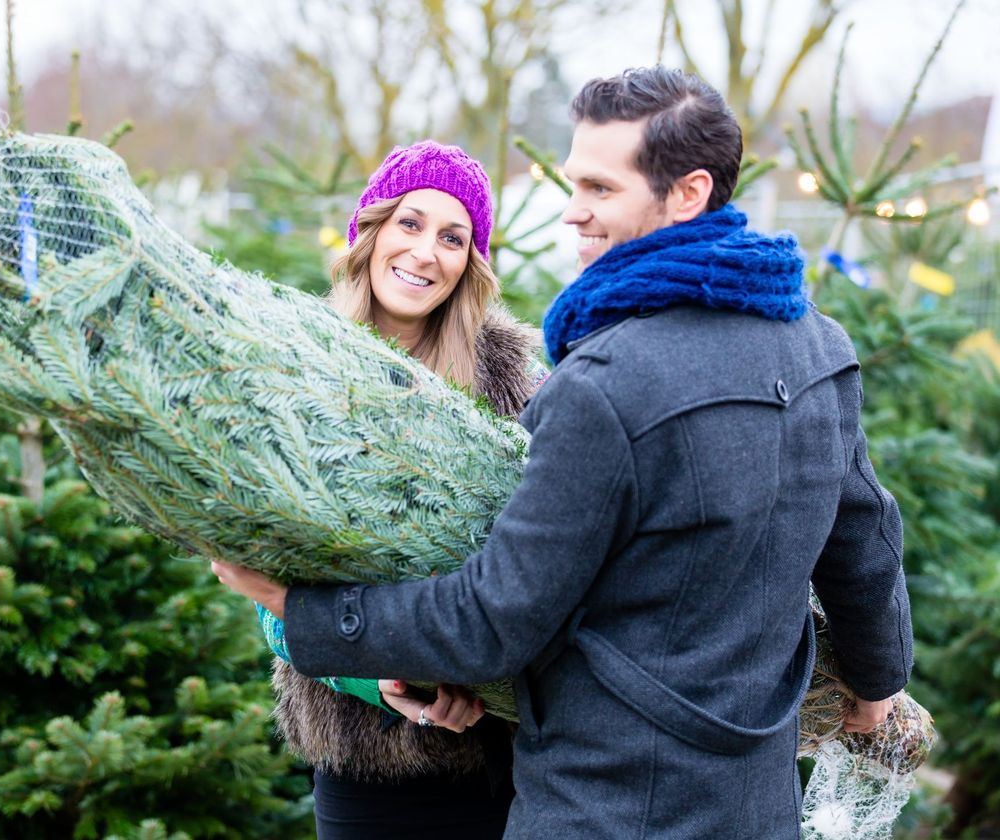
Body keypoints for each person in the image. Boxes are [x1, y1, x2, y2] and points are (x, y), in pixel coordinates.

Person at [213, 66, 913, 839]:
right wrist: (878, 682)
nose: (572, 212)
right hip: (755, 807)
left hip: (600, 804)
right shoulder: (821, 346)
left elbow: (494, 618)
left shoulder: (599, 384)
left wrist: (303, 611)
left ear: (687, 193)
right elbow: (864, 547)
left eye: (600, 190)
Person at [247, 140, 547, 839]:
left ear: (470, 263)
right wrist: (373, 678)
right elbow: (267, 598)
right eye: (409, 223)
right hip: (366, 766)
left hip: (498, 761)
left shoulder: (513, 388)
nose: (425, 252)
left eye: (452, 237)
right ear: (371, 230)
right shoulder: (300, 373)